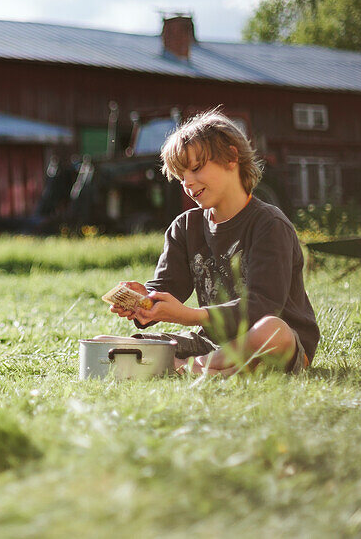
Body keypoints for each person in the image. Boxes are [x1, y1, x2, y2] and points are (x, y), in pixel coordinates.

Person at [102, 108, 319, 375]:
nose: (188, 183)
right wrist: (144, 300)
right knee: (106, 345)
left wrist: (190, 316)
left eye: (195, 168)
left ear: (231, 158)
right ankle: (204, 367)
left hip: (273, 341)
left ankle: (191, 367)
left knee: (273, 330)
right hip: (211, 343)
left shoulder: (269, 224)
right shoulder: (185, 226)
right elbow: (168, 286)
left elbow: (263, 307)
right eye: (181, 176)